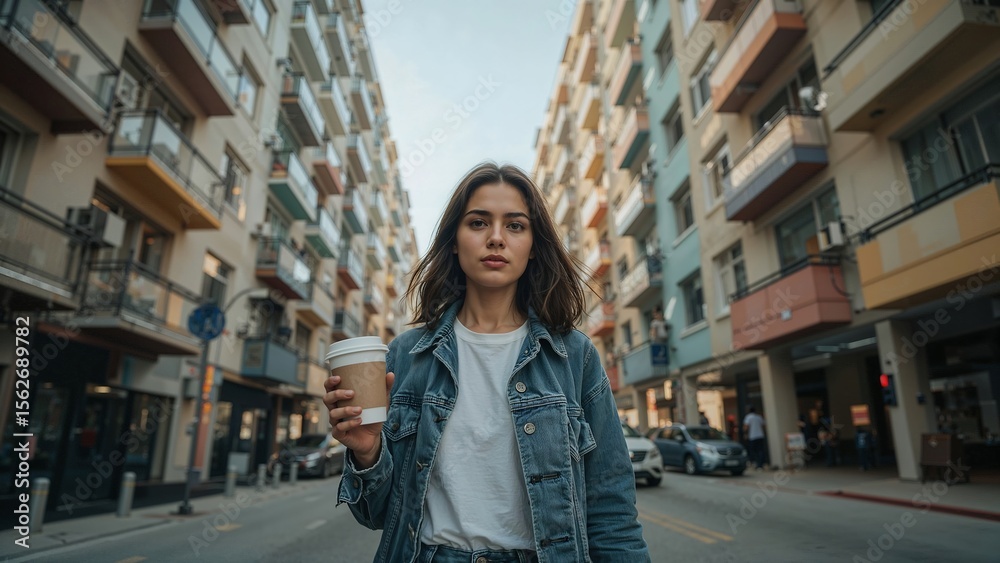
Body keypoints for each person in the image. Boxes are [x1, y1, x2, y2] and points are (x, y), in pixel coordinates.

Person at [324, 163, 650, 563]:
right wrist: (367, 453)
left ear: (533, 245)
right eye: (478, 222)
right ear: (455, 242)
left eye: (515, 226)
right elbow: (375, 516)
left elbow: (612, 509)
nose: (496, 238)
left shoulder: (574, 356)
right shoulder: (406, 356)